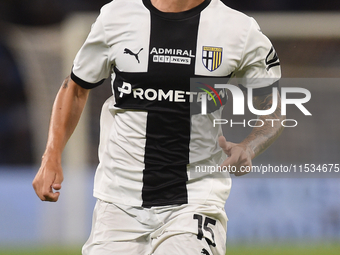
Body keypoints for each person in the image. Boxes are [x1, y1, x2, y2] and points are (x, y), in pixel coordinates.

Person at [32, 0, 284, 254]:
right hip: (119, 201)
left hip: (194, 198)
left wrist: (249, 147)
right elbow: (75, 88)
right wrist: (50, 156)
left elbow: (273, 106)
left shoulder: (239, 30)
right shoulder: (116, 17)